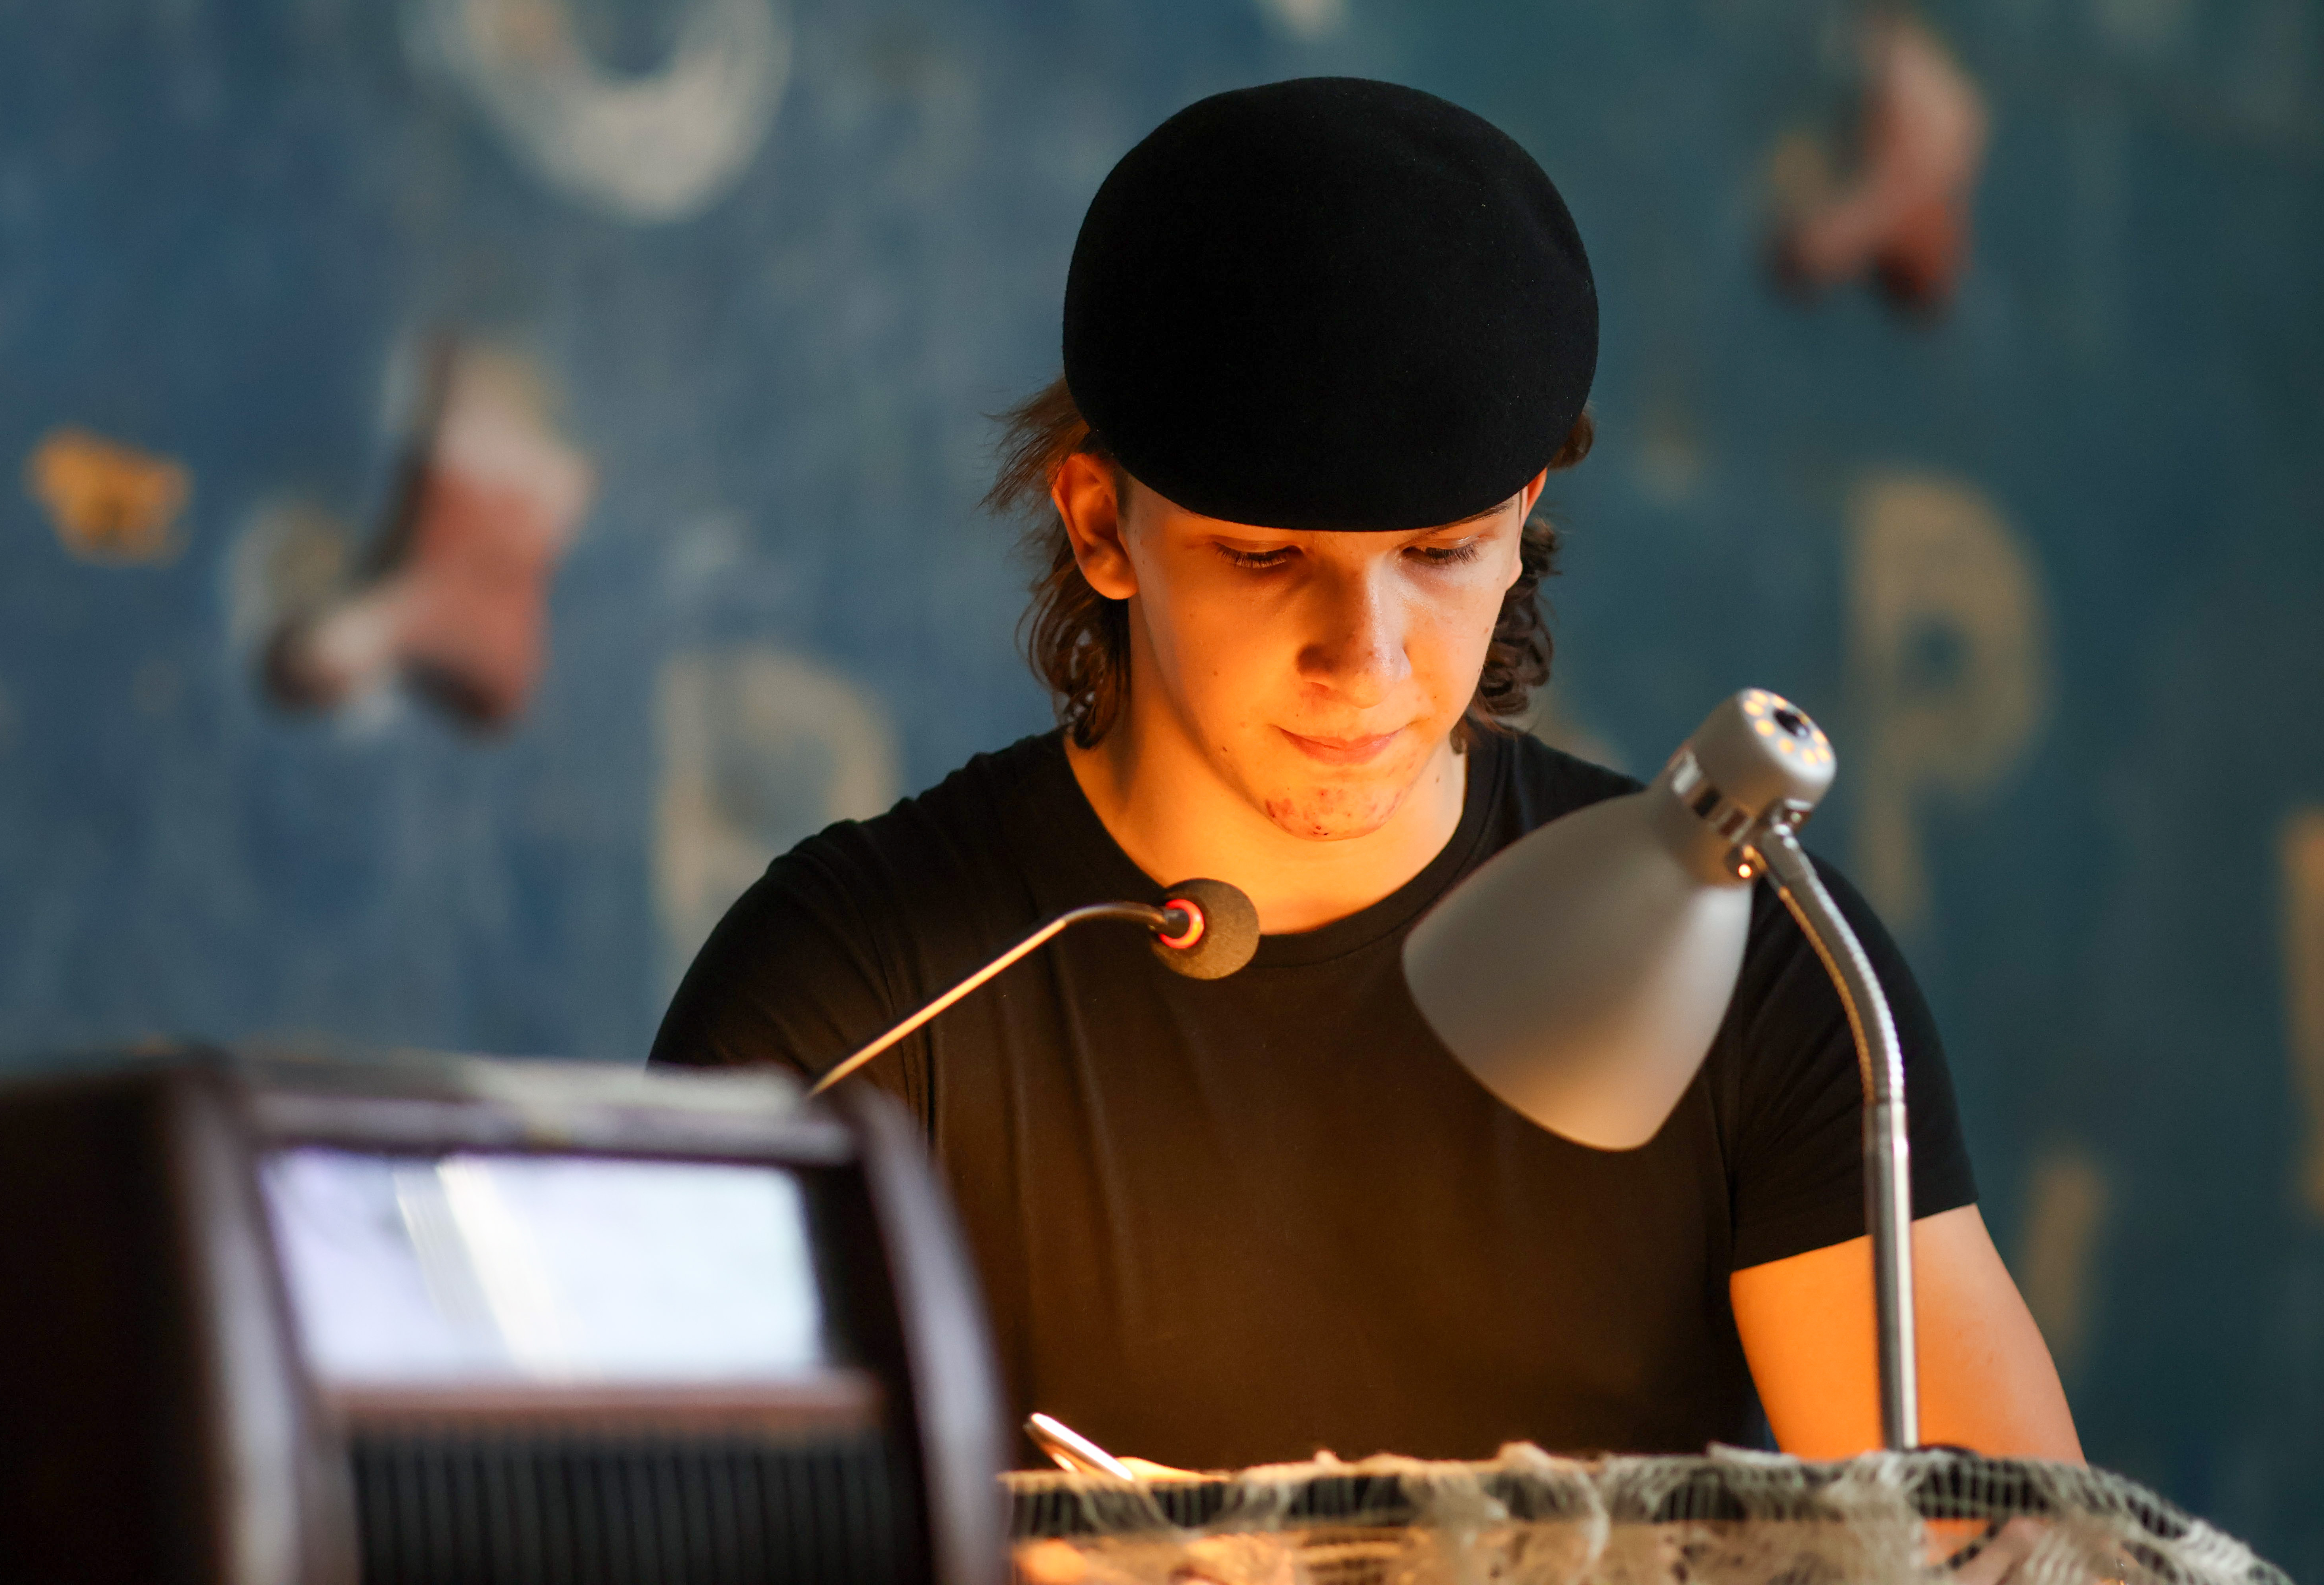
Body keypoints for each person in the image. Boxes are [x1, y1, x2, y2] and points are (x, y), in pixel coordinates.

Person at [652, 76, 2080, 1471]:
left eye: (1440, 552)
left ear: (1523, 517)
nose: (1365, 656)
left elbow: (2026, 1560)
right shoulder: (858, 995)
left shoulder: (1752, 970)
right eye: (1265, 558)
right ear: (1100, 525)